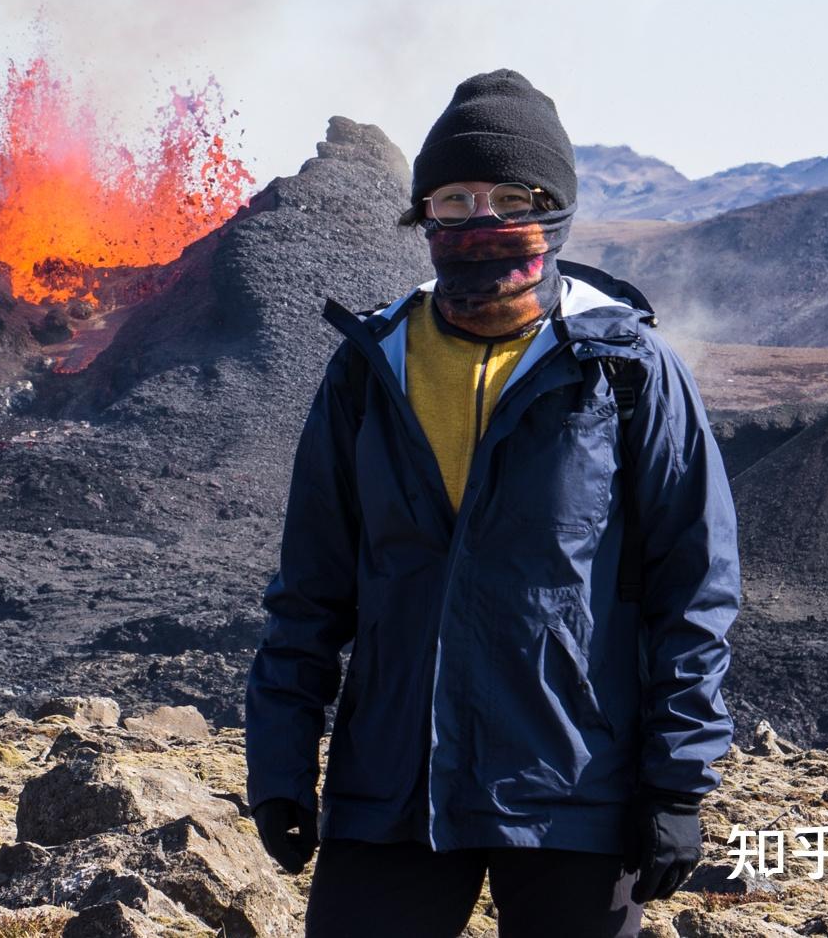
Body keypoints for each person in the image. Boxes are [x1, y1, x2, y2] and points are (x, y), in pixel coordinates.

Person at [243, 68, 742, 937]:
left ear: (557, 206)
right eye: (455, 198)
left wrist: (677, 781)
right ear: (423, 215)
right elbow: (310, 591)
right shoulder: (371, 367)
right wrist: (282, 763)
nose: (482, 219)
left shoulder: (625, 372)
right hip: (394, 790)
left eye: (512, 195)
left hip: (573, 793)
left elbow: (692, 589)